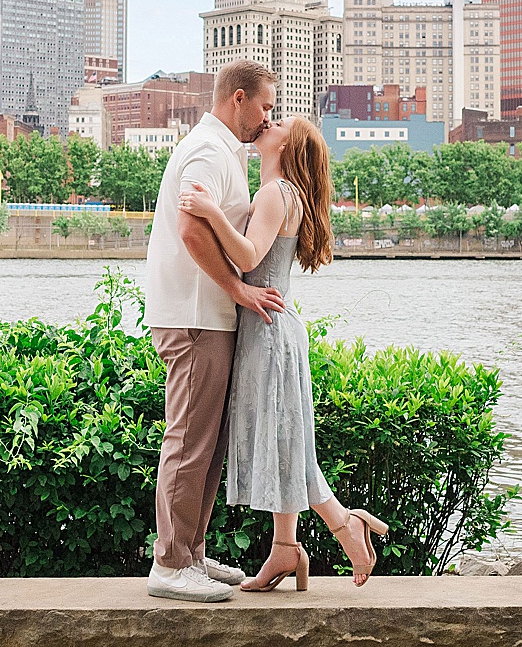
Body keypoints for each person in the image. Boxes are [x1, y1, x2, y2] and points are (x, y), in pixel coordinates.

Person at [178, 115, 388, 593]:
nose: (267, 123)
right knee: (284, 435)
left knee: (285, 439)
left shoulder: (275, 194)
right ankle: (284, 548)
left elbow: (249, 258)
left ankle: (343, 525)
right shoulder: (286, 192)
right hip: (273, 329)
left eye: (279, 122)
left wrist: (210, 211)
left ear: (289, 145)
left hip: (268, 332)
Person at [143, 60, 287, 603]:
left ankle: (192, 555)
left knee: (207, 440)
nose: (267, 117)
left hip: (204, 314)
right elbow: (188, 227)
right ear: (239, 99)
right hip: (194, 313)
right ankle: (171, 563)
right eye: (266, 106)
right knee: (188, 438)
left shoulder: (224, 152)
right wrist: (239, 290)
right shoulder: (207, 150)